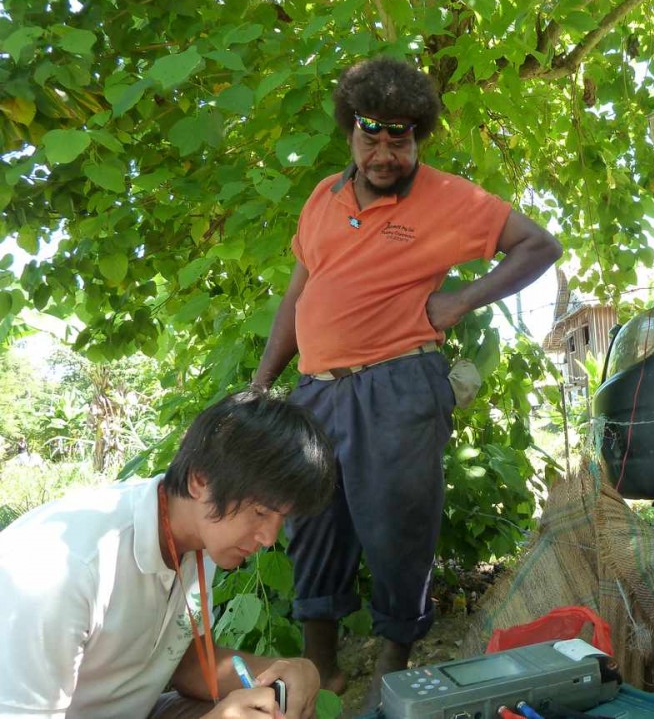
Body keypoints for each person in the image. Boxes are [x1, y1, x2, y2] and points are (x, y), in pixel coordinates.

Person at [251, 56, 562, 708]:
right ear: (350, 133)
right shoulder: (323, 199)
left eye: (401, 136)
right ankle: (323, 670)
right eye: (372, 135)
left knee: (398, 529)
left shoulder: (449, 198)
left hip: (397, 387)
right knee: (311, 524)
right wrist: (261, 383)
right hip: (317, 391)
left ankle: (394, 671)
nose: (386, 151)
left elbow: (539, 245)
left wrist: (459, 301)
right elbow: (297, 294)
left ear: (418, 135)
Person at [0, 390, 338, 719]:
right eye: (261, 512)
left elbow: (186, 664)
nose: (268, 538)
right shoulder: (63, 568)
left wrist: (290, 672)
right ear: (200, 481)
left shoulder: (200, 537)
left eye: (282, 519)